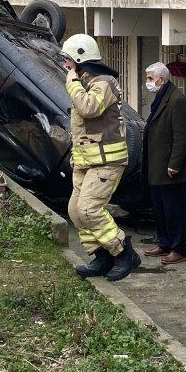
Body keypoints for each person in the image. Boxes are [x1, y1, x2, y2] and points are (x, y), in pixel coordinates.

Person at [62, 34, 141, 281]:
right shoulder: (85, 81)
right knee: (76, 211)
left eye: (67, 59)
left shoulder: (104, 83)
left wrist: (72, 83)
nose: (65, 64)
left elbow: (89, 107)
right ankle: (101, 255)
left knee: (89, 209)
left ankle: (123, 252)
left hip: (107, 161)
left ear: (79, 58)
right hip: (85, 161)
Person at [142, 62, 186, 264]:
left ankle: (178, 248)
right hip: (156, 165)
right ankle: (164, 243)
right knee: (160, 208)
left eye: (150, 78)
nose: (148, 82)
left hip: (170, 168)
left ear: (161, 79)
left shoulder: (177, 99)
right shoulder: (162, 97)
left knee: (174, 210)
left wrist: (175, 164)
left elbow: (182, 136)